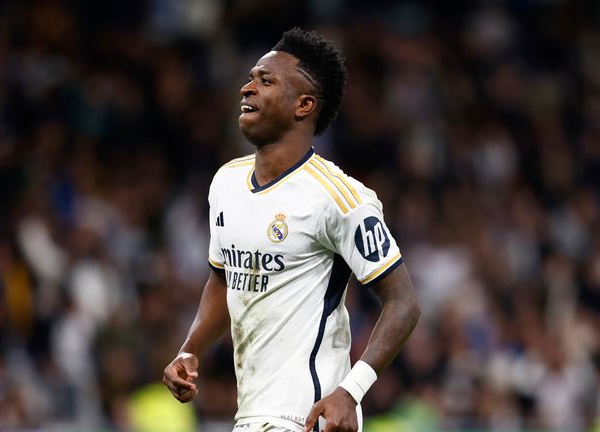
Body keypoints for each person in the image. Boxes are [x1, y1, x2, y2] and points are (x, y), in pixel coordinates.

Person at [163, 28, 420, 432]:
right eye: (250, 78)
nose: (247, 89)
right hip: (249, 416)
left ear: (304, 105)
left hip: (307, 417)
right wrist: (190, 349)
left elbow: (403, 303)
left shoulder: (340, 198)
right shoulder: (226, 183)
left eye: (265, 81)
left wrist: (351, 390)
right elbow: (223, 280)